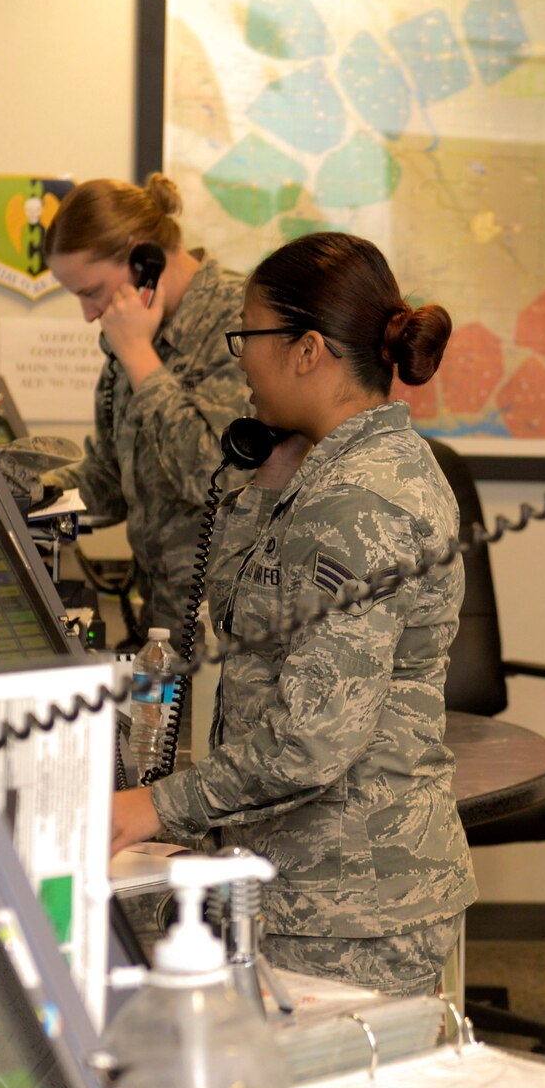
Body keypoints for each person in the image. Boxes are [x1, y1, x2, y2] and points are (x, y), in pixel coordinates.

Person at [107, 231, 476, 996]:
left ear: (307, 350)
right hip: (315, 885)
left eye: (250, 336)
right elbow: (249, 620)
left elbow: (312, 740)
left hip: (348, 905)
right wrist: (268, 476)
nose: (241, 357)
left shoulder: (358, 499)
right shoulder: (330, 472)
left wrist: (157, 806)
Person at [44, 174, 252, 638]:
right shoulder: (131, 336)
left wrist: (139, 357)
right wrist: (16, 493)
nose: (89, 313)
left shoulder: (243, 321)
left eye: (91, 291)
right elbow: (110, 480)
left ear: (144, 259)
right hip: (162, 627)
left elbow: (216, 478)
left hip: (233, 636)